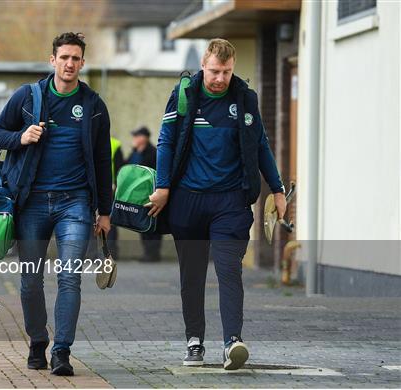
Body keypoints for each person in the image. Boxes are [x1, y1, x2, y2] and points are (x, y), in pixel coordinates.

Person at [147, 39, 286, 369]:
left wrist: (277, 189)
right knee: (192, 275)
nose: (220, 79)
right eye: (214, 71)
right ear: (203, 67)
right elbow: (165, 142)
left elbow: (261, 146)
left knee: (229, 269)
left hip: (231, 202)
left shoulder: (245, 99)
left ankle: (232, 342)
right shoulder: (184, 95)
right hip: (188, 201)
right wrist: (163, 186)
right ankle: (194, 341)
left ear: (233, 67)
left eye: (226, 72)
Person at [0, 32, 111, 376]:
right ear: (52, 60)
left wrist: (105, 211)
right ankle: (38, 340)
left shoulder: (94, 106)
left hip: (76, 204)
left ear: (83, 63)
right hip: (33, 204)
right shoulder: (28, 97)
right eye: (64, 57)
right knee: (30, 280)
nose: (69, 63)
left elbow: (103, 161)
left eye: (76, 58)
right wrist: (21, 137)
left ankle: (62, 352)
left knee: (70, 277)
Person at [127, 126, 162, 262]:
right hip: (137, 194)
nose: (134, 139)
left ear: (144, 138)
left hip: (150, 194)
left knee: (152, 225)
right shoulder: (134, 152)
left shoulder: (153, 152)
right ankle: (147, 253)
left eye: (136, 136)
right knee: (142, 224)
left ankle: (153, 254)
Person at [107, 136, 124, 258]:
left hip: (110, 188)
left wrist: (117, 185)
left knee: (109, 220)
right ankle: (93, 253)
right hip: (98, 187)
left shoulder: (115, 144)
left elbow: (119, 167)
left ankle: (111, 251)